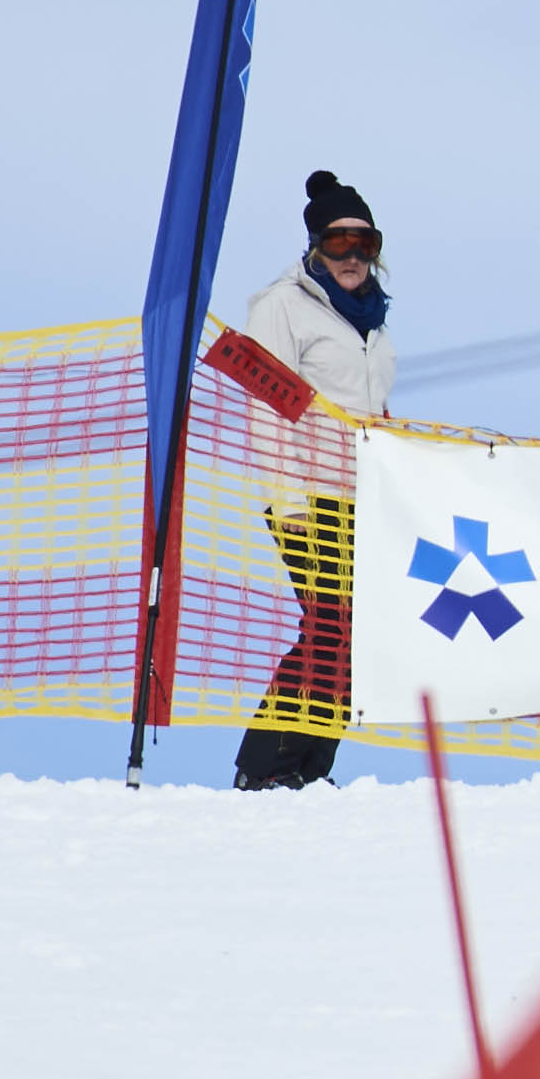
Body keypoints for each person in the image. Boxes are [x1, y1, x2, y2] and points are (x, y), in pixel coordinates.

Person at [233, 171, 392, 790]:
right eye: (337, 242)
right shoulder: (281, 306)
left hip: (364, 501)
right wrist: (288, 500)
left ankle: (310, 770)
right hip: (310, 497)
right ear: (315, 247)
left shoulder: (372, 320)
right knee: (330, 624)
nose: (352, 256)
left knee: (359, 633)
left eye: (364, 244)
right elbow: (267, 408)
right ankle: (265, 768)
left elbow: (368, 411)